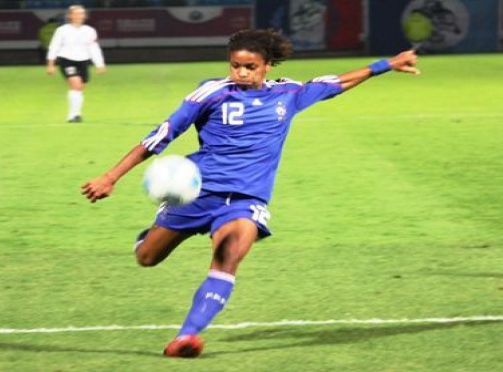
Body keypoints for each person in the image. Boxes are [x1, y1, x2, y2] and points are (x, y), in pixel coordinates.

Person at [81, 29, 419, 358]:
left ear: (267, 65)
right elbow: (161, 135)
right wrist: (111, 176)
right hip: (198, 193)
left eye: (250, 67)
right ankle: (148, 237)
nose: (241, 72)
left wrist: (386, 64)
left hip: (245, 201)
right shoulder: (211, 93)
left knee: (228, 256)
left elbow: (336, 83)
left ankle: (187, 336)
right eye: (235, 65)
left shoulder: (288, 94)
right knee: (147, 258)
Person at [46, 5, 106, 123]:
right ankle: (72, 115)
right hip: (66, 60)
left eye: (81, 13)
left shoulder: (89, 31)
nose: (79, 16)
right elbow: (54, 46)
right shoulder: (62, 30)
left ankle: (77, 113)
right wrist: (50, 64)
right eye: (76, 13)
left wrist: (99, 64)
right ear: (70, 16)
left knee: (80, 88)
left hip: (83, 61)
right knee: (76, 85)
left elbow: (94, 48)